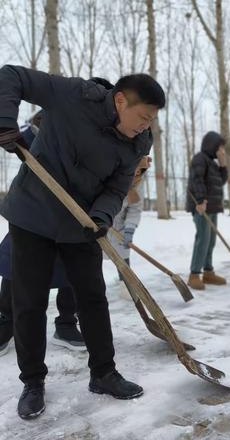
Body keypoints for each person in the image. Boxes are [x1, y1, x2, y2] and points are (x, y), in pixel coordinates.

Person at [0, 65, 165, 420]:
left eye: (152, 120)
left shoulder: (138, 141)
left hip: (81, 222)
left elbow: (118, 187)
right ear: (120, 100)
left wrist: (103, 217)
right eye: (143, 116)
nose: (146, 125)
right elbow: (11, 75)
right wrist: (5, 120)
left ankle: (103, 373)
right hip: (34, 213)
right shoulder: (73, 95)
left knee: (92, 298)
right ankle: (32, 382)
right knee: (28, 301)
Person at [0, 114, 85, 356]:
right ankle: (6, 322)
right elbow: (21, 136)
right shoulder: (37, 135)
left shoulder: (85, 140)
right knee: (14, 267)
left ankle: (67, 323)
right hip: (30, 213)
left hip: (68, 217)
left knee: (70, 270)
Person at [186, 131, 228, 290]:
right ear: (212, 145)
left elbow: (220, 182)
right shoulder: (200, 159)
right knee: (203, 239)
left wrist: (223, 164)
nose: (222, 150)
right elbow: (197, 180)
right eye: (220, 147)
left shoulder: (213, 163)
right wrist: (201, 200)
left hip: (212, 207)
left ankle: (208, 272)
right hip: (201, 206)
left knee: (211, 241)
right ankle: (194, 274)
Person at [109, 155, 151, 299]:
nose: (137, 174)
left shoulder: (138, 184)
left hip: (119, 224)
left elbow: (135, 208)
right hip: (101, 221)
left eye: (141, 171)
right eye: (136, 170)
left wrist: (130, 229)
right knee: (94, 256)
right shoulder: (112, 176)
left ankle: (125, 283)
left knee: (123, 254)